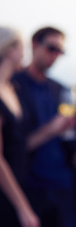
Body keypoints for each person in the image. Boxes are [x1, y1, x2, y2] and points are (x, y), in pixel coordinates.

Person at [11, 26, 76, 227]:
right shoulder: (13, 86)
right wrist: (52, 129)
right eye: (51, 48)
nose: (55, 55)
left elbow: (72, 137)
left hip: (63, 187)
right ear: (34, 45)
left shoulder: (61, 90)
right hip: (29, 187)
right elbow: (14, 145)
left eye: (60, 51)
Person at [0, 27, 40, 227]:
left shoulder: (13, 89)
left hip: (21, 186)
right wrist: (23, 208)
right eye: (21, 47)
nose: (24, 54)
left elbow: (22, 143)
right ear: (10, 50)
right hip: (5, 197)